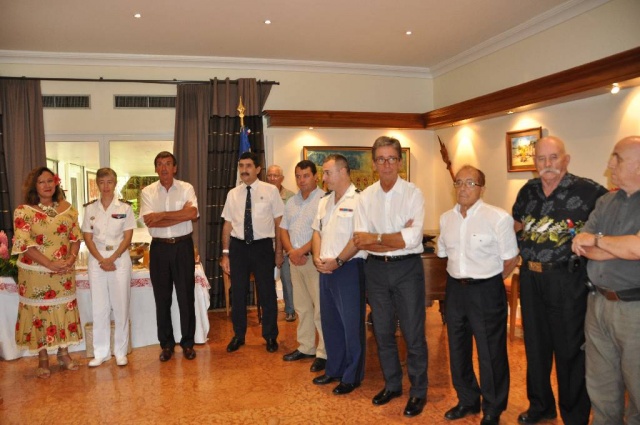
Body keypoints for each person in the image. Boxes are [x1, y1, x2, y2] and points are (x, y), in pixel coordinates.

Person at [512, 136, 608, 424]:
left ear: (566, 159)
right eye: (541, 159)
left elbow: (609, 225)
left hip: (567, 279)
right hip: (530, 277)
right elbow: (517, 223)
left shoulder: (590, 191)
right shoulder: (528, 190)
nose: (548, 164)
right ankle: (541, 405)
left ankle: (574, 414)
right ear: (534, 163)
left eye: (554, 157)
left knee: (570, 350)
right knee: (535, 346)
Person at [353, 136, 428, 418]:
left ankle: (418, 391)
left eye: (392, 159)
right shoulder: (365, 197)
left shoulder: (413, 194)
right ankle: (393, 384)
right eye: (381, 159)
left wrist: (376, 237)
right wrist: (394, 238)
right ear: (374, 164)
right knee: (382, 331)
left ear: (400, 162)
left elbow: (413, 239)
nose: (386, 164)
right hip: (375, 270)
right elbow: (360, 240)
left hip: (407, 269)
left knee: (413, 333)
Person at [437, 165, 519, 425]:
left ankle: (493, 407)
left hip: (486, 290)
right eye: (459, 182)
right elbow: (442, 253)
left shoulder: (498, 218)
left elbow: (511, 258)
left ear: (482, 189)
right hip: (455, 290)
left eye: (470, 183)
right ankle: (467, 400)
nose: (463, 188)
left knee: (490, 352)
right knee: (457, 348)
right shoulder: (446, 218)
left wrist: (489, 279)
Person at [571, 135, 640, 425]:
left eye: (617, 158)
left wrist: (599, 240)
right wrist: (621, 246)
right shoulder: (605, 200)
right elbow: (582, 245)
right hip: (597, 303)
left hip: (634, 310)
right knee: (600, 387)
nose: (610, 164)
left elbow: (636, 248)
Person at [12, 167, 83, 378]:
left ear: (56, 183)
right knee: (39, 314)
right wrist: (49, 264)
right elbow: (24, 245)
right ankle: (42, 357)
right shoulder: (23, 211)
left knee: (63, 309)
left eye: (50, 181)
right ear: (34, 186)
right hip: (35, 273)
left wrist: (71, 258)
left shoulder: (68, 209)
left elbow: (76, 237)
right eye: (41, 182)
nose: (47, 185)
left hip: (63, 272)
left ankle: (63, 353)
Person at [311, 154, 366, 396]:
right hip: (325, 269)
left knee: (351, 325)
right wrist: (317, 257)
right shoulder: (324, 201)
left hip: (348, 268)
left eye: (327, 173)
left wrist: (339, 261)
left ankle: (352, 376)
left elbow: (359, 238)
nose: (323, 178)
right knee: (330, 322)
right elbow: (317, 232)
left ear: (343, 172)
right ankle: (334, 369)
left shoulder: (359, 200)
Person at [221, 152, 284, 353]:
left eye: (248, 166)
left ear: (257, 169)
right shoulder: (233, 194)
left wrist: (279, 251)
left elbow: (279, 223)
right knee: (238, 293)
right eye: (241, 166)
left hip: (262, 247)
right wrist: (225, 254)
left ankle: (270, 336)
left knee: (267, 293)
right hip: (238, 248)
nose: (244, 170)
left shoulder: (271, 191)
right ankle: (238, 335)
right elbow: (227, 225)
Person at [140, 151, 199, 362]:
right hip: (159, 249)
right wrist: (179, 214)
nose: (164, 168)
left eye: (167, 164)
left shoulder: (186, 188)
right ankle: (166, 345)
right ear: (155, 169)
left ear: (175, 168)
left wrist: (162, 215)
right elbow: (149, 221)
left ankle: (188, 343)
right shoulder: (147, 192)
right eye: (159, 164)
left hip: (183, 247)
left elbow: (192, 214)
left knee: (186, 297)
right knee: (162, 299)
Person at [82, 168, 135, 367]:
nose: (106, 186)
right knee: (99, 307)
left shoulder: (125, 208)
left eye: (109, 182)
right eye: (102, 182)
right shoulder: (90, 209)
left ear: (115, 184)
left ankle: (120, 351)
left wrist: (112, 258)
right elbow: (87, 238)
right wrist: (102, 260)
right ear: (97, 184)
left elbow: (128, 237)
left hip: (119, 259)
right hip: (97, 259)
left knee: (121, 306)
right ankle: (101, 352)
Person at [280, 160, 327, 372]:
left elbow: (321, 232)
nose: (301, 180)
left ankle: (324, 352)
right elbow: (283, 229)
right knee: (302, 307)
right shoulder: (291, 202)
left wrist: (300, 252)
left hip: (313, 261)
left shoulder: (324, 200)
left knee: (320, 309)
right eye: (298, 176)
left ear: (316, 176)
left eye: (306, 175)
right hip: (294, 261)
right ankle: (306, 347)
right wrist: (292, 251)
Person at [267, 164, 296, 322]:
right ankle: (269, 309)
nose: (272, 178)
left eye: (275, 175)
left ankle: (290, 309)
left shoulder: (291, 197)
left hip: (284, 242)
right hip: (265, 242)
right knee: (266, 279)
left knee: (286, 278)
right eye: (269, 175)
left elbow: (293, 222)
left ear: (282, 178)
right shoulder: (262, 193)